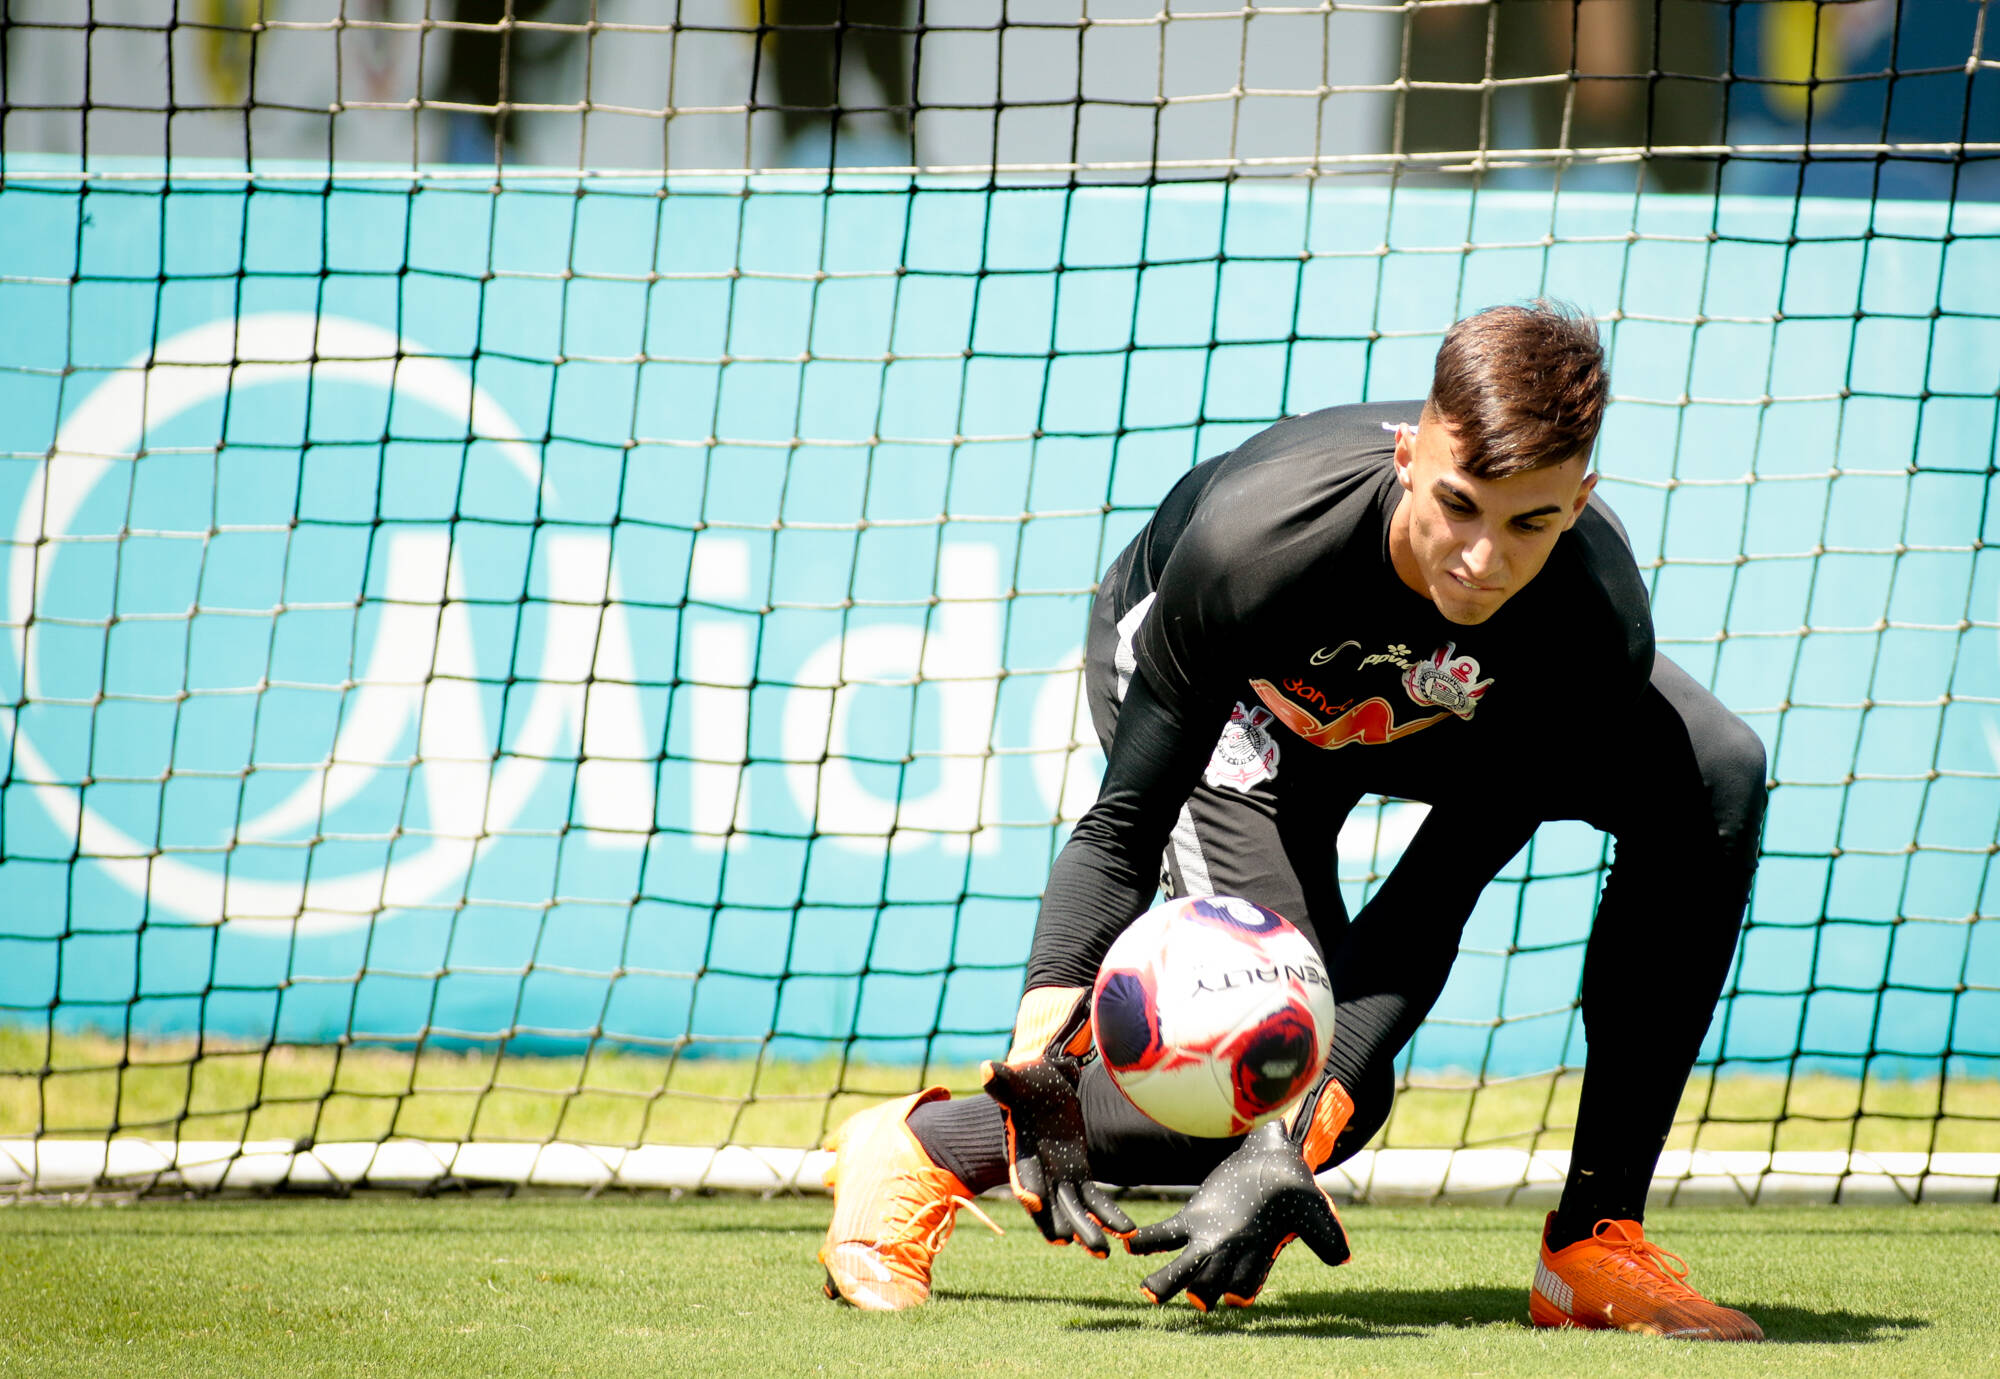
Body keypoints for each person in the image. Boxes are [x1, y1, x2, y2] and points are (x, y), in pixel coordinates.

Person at [816, 301, 1768, 1340]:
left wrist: (1287, 1146)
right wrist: (1044, 1072)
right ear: (1408, 455)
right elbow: (1120, 828)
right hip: (1246, 716)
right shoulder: (1254, 547)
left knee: (1713, 771)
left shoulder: (1590, 628)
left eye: (1527, 523)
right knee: (1279, 1058)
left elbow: (1434, 893)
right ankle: (929, 1145)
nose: (1480, 559)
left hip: (1445, 707)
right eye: (1457, 505)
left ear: (1579, 499)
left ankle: (1592, 1242)